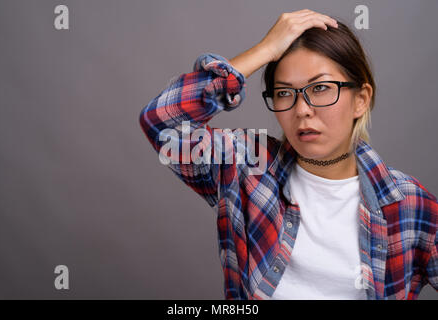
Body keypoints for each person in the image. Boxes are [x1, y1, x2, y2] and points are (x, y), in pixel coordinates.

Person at [139, 9, 437, 300]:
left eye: (320, 88)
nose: (302, 109)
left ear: (361, 100)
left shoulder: (408, 203)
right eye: (284, 93)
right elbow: (162, 124)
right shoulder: (246, 167)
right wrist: (266, 49)